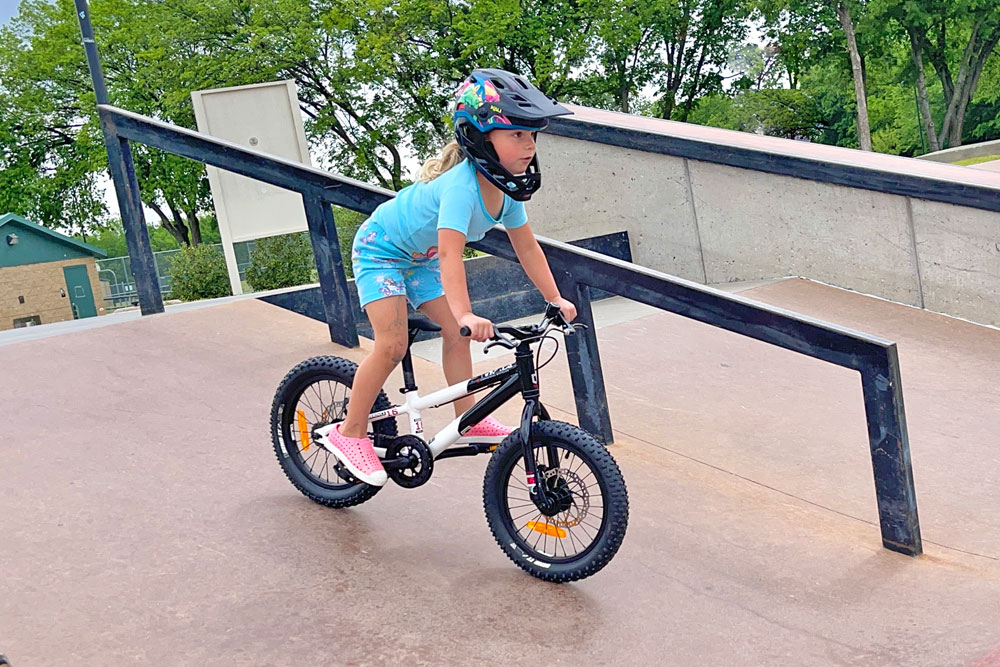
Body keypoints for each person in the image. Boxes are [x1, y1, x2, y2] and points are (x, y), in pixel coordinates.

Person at [328, 68, 578, 486]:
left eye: (533, 135)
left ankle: (469, 419)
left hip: (419, 260)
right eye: (517, 134)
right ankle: (350, 432)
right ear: (481, 137)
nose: (530, 145)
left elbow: (527, 248)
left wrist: (555, 299)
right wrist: (464, 313)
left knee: (455, 335)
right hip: (381, 251)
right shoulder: (461, 188)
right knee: (392, 345)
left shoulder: (507, 189)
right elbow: (450, 253)